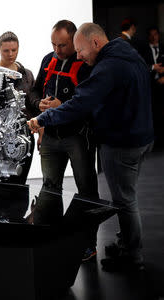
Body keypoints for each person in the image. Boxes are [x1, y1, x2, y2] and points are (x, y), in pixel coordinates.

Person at [28, 23, 154, 271]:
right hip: (140, 136)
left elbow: (80, 103)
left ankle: (132, 255)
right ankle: (125, 243)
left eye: (79, 49)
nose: (79, 55)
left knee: (123, 200)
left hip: (120, 142)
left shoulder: (106, 67)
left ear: (95, 42)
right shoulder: (126, 52)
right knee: (124, 196)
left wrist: (42, 119)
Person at [29, 20, 99, 261]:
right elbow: (34, 91)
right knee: (50, 189)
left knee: (87, 191)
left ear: (74, 40)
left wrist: (62, 107)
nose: (57, 50)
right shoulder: (48, 60)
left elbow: (91, 103)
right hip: (50, 137)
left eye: (63, 45)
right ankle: (52, 239)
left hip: (78, 137)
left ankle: (88, 244)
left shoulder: (87, 63)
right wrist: (39, 105)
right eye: (53, 44)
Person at [0, 31, 37, 184]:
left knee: (20, 182)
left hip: (23, 137)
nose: (10, 54)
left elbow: (33, 103)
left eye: (14, 50)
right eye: (6, 50)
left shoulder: (27, 75)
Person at [139, 26, 164, 147]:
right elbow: (140, 67)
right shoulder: (142, 50)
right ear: (148, 36)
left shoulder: (163, 48)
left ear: (159, 35)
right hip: (150, 88)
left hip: (163, 87)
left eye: (156, 34)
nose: (154, 37)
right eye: (151, 34)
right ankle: (153, 143)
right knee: (152, 114)